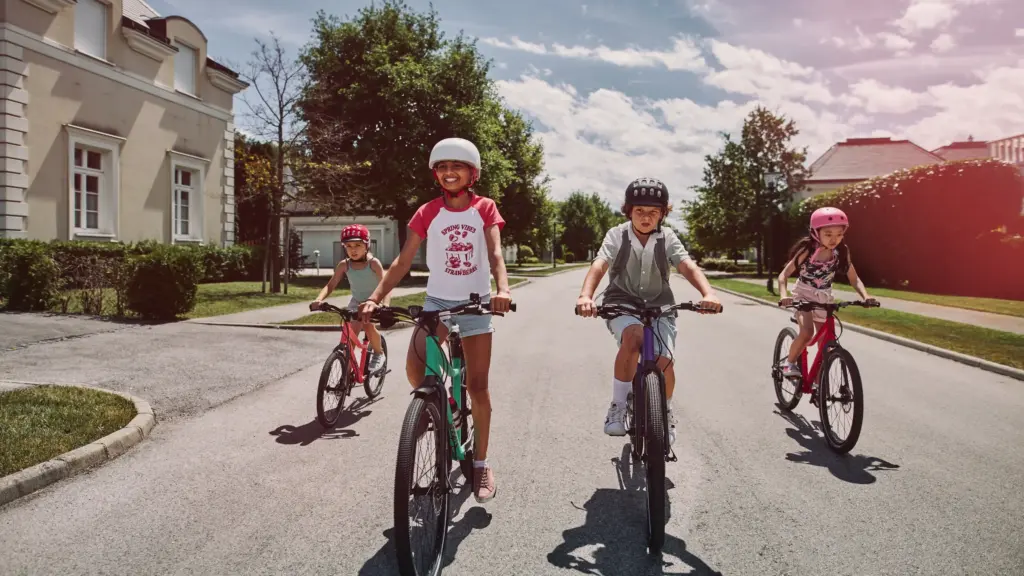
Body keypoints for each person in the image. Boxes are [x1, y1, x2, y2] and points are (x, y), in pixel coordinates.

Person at [359, 137, 513, 503]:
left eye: (456, 166)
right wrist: (374, 297)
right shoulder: (427, 211)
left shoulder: (485, 207)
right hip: (438, 301)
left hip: (476, 304)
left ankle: (480, 463)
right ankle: (445, 408)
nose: (448, 173)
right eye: (442, 167)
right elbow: (401, 261)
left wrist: (502, 290)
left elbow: (494, 254)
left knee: (477, 386)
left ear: (471, 173)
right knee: (416, 367)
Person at [575, 177, 722, 446]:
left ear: (663, 214)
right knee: (633, 337)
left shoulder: (668, 238)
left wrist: (707, 293)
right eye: (639, 210)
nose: (646, 217)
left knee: (664, 361)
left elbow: (687, 265)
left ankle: (664, 412)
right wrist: (586, 295)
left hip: (660, 305)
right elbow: (600, 264)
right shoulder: (616, 235)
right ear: (628, 210)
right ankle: (617, 407)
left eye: (653, 212)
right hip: (622, 303)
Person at [776, 207, 877, 379]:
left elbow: (854, 279)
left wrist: (865, 296)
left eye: (839, 234)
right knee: (807, 332)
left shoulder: (841, 253)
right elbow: (784, 275)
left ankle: (818, 381)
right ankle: (789, 363)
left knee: (826, 343)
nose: (834, 239)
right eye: (828, 234)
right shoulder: (807, 251)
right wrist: (784, 296)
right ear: (816, 233)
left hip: (824, 298)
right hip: (803, 295)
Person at [310, 224, 388, 373]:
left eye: (357, 245)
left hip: (374, 302)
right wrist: (318, 299)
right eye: (348, 246)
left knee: (367, 325)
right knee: (350, 336)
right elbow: (330, 285)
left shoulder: (373, 263)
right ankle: (348, 371)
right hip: (357, 302)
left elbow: (386, 285)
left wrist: (384, 305)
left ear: (367, 245)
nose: (353, 249)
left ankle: (379, 353)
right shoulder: (344, 265)